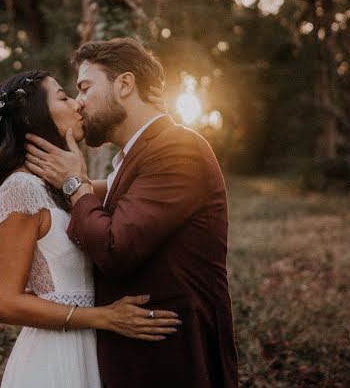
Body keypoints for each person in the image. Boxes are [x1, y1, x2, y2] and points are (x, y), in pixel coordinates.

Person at [25, 38, 239, 388]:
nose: (78, 102)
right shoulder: (134, 157)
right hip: (135, 358)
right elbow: (109, 201)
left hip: (175, 359)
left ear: (124, 84)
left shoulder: (178, 148)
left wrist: (74, 182)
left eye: (85, 87)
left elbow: (114, 247)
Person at [0, 69, 182, 388]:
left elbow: (125, 187)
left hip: (92, 350)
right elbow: (5, 302)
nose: (78, 104)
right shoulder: (20, 189)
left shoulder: (65, 187)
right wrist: (105, 317)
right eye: (64, 97)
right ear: (33, 119)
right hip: (53, 359)